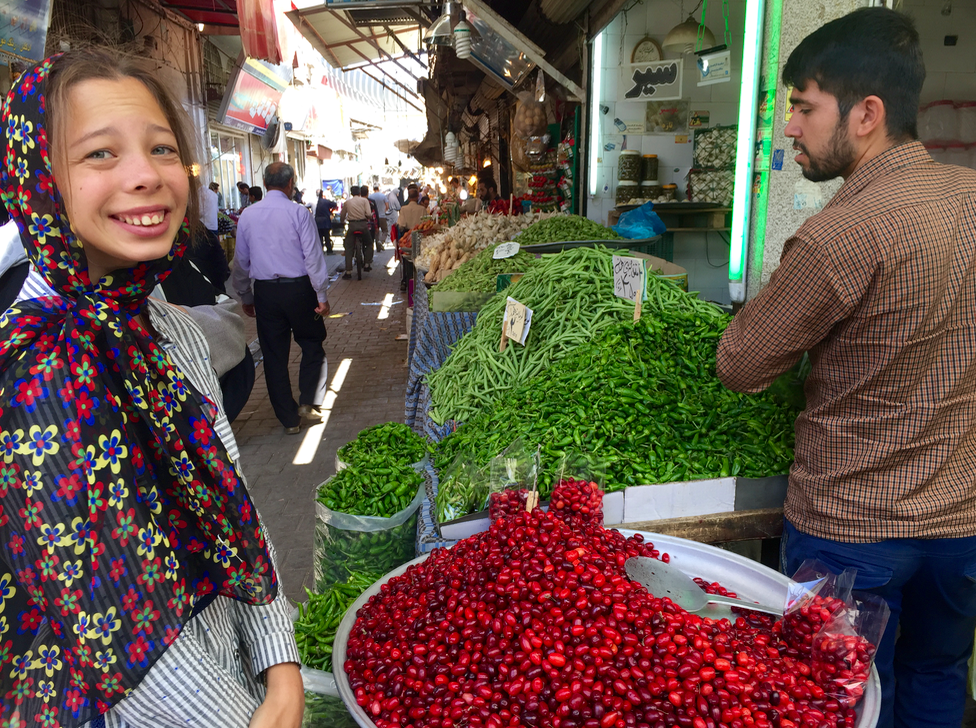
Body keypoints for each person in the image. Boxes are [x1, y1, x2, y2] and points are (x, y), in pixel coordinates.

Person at [0, 48, 302, 727]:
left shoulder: (165, 327)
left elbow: (236, 507)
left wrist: (278, 665)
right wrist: (254, 710)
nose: (146, 176)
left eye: (163, 148)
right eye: (99, 154)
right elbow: (117, 629)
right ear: (36, 182)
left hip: (233, 675)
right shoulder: (36, 367)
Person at [715, 9, 976, 728]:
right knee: (936, 676)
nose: (790, 127)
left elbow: (740, 363)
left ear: (867, 113)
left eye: (803, 106)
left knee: (842, 696)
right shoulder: (971, 199)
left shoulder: (840, 234)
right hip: (962, 523)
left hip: (853, 530)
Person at [233, 162, 331, 434]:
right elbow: (313, 257)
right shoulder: (298, 213)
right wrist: (321, 295)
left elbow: (241, 262)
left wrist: (246, 295)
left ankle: (288, 419)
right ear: (290, 184)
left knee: (274, 354)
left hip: (265, 292)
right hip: (299, 290)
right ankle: (309, 404)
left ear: (264, 184)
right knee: (311, 342)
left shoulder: (248, 216)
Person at [194, 180, 230, 292]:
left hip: (204, 228)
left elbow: (198, 212)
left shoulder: (200, 194)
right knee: (214, 254)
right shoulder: (212, 194)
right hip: (213, 226)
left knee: (205, 258)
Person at [339, 183, 374, 278]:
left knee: (349, 247)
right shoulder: (364, 200)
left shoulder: (347, 202)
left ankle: (348, 271)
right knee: (369, 243)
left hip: (352, 225)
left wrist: (342, 222)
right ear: (359, 192)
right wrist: (368, 217)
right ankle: (367, 264)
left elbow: (342, 215)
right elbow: (369, 214)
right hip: (363, 225)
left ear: (351, 193)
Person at [315, 188, 338, 254]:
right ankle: (329, 250)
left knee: (319, 237)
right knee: (327, 236)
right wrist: (330, 211)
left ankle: (320, 250)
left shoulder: (313, 201)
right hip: (325, 221)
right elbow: (334, 204)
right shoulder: (325, 201)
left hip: (317, 221)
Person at [368, 184, 390, 250]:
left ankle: (377, 244)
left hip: (373, 216)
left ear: (373, 189)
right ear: (378, 188)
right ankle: (381, 241)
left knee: (376, 231)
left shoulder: (370, 196)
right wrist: (384, 211)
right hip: (382, 216)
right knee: (385, 230)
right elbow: (387, 206)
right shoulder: (383, 196)